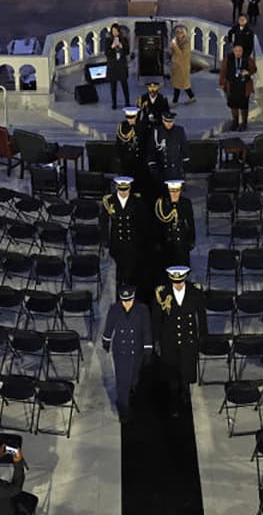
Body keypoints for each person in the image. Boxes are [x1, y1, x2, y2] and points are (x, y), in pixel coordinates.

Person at [153, 265, 207, 416]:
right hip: (169, 338)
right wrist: (155, 339)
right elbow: (156, 318)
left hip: (188, 337)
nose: (178, 285)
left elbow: (201, 314)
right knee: (172, 371)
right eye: (175, 282)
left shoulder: (194, 292)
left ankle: (184, 393)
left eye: (180, 282)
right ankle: (174, 399)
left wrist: (203, 334)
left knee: (186, 369)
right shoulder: (163, 293)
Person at [102, 285, 152, 422]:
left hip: (137, 349)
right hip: (121, 350)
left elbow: (146, 330)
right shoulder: (115, 309)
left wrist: (148, 350)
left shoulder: (142, 310)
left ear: (134, 297)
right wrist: (106, 341)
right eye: (124, 300)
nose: (126, 303)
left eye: (129, 300)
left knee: (134, 375)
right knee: (122, 380)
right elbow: (109, 326)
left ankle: (132, 385)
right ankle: (123, 407)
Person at [105, 176, 147, 289]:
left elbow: (142, 222)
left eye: (126, 189)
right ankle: (120, 291)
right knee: (119, 269)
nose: (123, 192)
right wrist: (106, 241)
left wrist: (141, 240)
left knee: (131, 270)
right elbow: (104, 223)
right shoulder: (110, 201)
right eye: (121, 189)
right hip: (117, 241)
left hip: (132, 241)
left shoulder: (137, 201)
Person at [155, 179, 196, 268]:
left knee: (182, 268)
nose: (174, 193)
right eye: (172, 191)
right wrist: (157, 241)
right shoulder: (162, 203)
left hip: (181, 240)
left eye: (177, 190)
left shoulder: (186, 203)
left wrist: (192, 239)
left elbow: (190, 222)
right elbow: (158, 224)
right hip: (166, 241)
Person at [219, 43, 257, 132]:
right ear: (233, 51)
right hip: (232, 85)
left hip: (244, 85)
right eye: (236, 51)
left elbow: (254, 69)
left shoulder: (247, 58)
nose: (238, 53)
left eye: (240, 51)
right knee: (233, 105)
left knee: (244, 105)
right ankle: (235, 122)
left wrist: (248, 72)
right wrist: (221, 82)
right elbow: (223, 71)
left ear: (242, 51)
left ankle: (244, 123)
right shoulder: (228, 58)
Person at [149, 111, 188, 184]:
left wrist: (185, 162)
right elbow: (151, 149)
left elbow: (184, 146)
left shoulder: (179, 130)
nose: (169, 124)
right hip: (162, 170)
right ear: (163, 120)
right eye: (166, 121)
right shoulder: (157, 132)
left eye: (171, 122)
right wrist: (152, 164)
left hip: (176, 170)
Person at [104, 24, 131, 108]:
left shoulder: (124, 39)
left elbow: (127, 52)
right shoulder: (108, 40)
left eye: (116, 31)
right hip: (112, 66)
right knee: (113, 86)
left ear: (119, 31)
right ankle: (114, 103)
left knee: (124, 84)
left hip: (121, 65)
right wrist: (112, 46)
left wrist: (121, 46)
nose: (115, 33)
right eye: (113, 31)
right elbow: (106, 53)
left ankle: (127, 102)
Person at [116, 107, 146, 178]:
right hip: (126, 159)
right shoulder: (122, 126)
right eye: (129, 118)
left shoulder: (141, 126)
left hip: (139, 160)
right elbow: (119, 143)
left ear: (136, 117)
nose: (130, 120)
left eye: (132, 118)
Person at [169, 26, 195, 105]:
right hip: (176, 66)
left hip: (182, 67)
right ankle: (191, 97)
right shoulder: (176, 40)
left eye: (180, 32)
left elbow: (181, 54)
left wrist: (175, 46)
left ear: (184, 34)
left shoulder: (186, 42)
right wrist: (171, 46)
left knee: (182, 84)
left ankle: (175, 101)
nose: (178, 34)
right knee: (180, 84)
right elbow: (172, 52)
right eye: (177, 32)